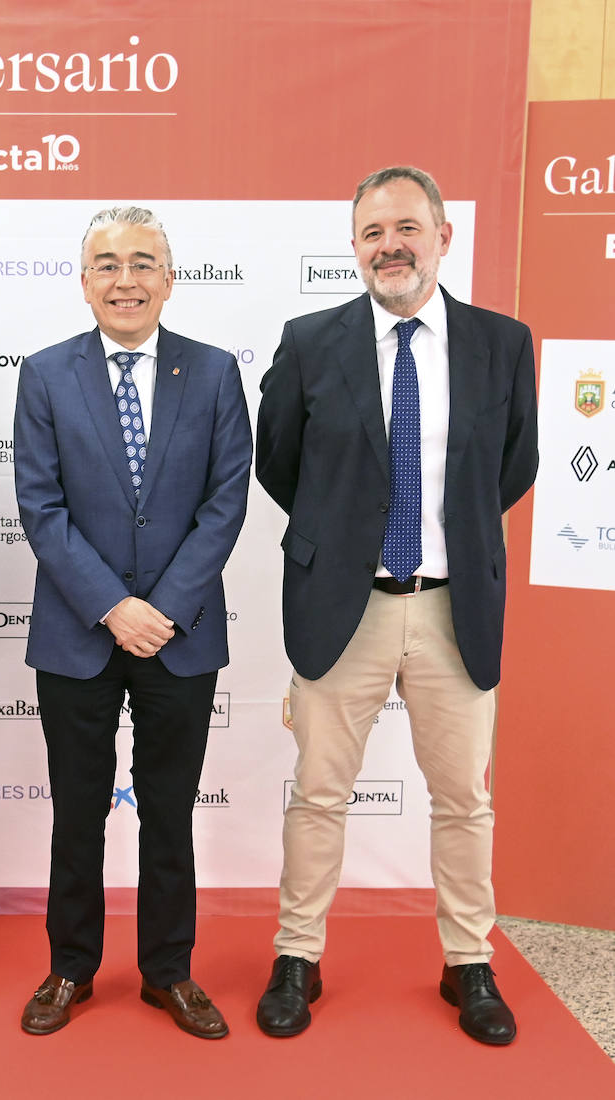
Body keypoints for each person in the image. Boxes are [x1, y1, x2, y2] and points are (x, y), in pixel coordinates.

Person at [254, 165, 538, 1045]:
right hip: (349, 606)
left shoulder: (502, 342)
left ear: (444, 237)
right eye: (374, 232)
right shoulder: (310, 341)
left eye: (408, 228)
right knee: (319, 794)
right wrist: (343, 539)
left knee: (464, 800)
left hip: (457, 610)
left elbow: (514, 468)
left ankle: (468, 963)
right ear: (354, 246)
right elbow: (280, 465)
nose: (391, 246)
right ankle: (297, 955)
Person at [13, 206, 252, 1038]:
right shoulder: (44, 375)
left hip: (180, 638)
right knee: (77, 810)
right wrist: (114, 607)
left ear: (170, 279)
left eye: (143, 262)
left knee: (169, 809)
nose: (126, 279)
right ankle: (69, 968)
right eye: (107, 264)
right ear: (84, 283)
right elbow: (40, 508)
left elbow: (226, 504)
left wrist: (163, 610)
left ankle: (169, 973)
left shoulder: (217, 373)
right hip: (79, 633)